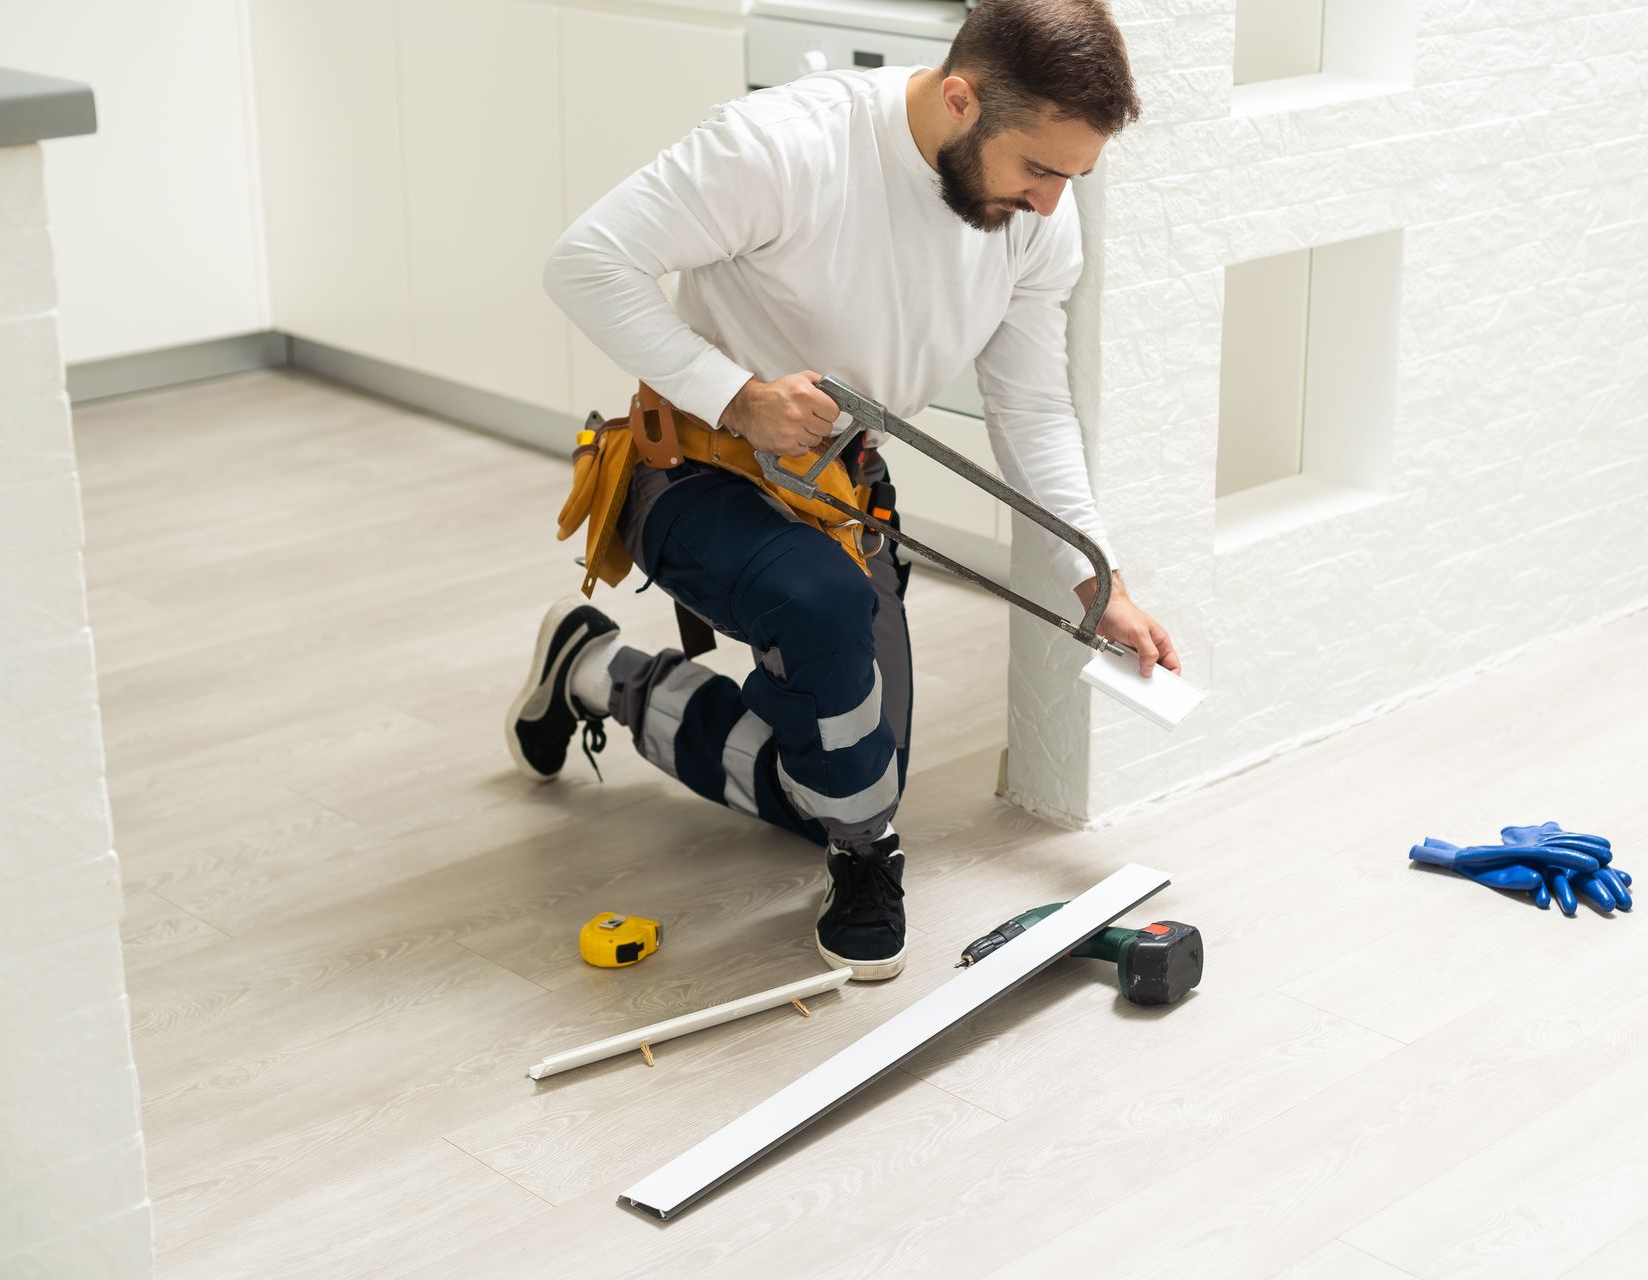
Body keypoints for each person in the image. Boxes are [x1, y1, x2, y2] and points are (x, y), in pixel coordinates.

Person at [506, 0, 1181, 982]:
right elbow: (584, 264)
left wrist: (1098, 577)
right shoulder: (783, 148)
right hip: (697, 470)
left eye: (1071, 179)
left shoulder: (1041, 217)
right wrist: (736, 396)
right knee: (828, 632)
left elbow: (1031, 406)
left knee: (832, 776)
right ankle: (867, 859)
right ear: (961, 99)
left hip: (838, 489)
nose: (1048, 204)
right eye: (1038, 168)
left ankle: (595, 671)